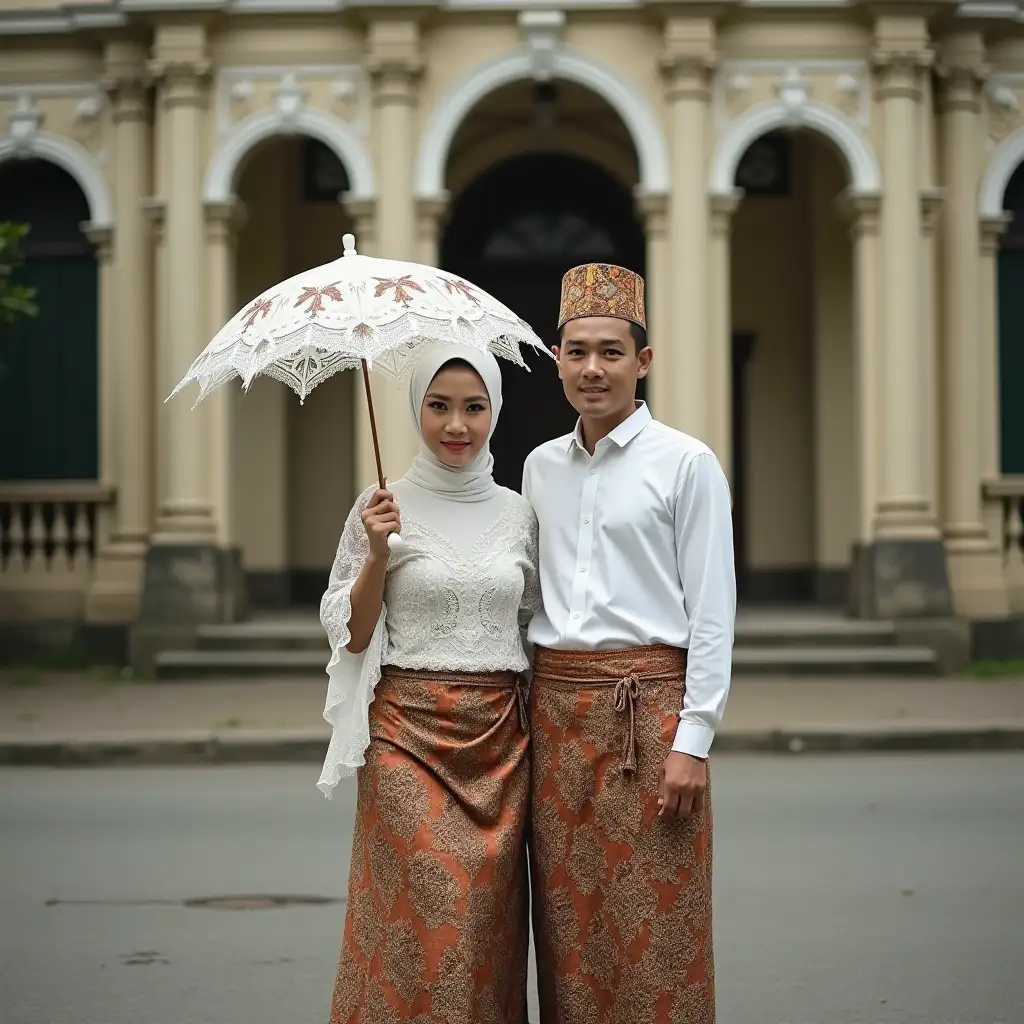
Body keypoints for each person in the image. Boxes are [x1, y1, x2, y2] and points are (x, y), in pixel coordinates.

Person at [522, 263, 736, 1023]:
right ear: (557, 360)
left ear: (643, 362)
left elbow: (713, 610)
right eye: (577, 351)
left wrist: (695, 739)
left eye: (611, 352)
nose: (592, 368)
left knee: (658, 923)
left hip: (650, 716)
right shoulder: (539, 468)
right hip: (555, 720)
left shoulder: (686, 463)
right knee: (570, 923)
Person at [318, 342, 540, 1024]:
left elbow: (533, 625)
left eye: (474, 408)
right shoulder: (382, 505)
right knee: (428, 920)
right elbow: (352, 635)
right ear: (417, 409)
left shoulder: (520, 513)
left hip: (501, 746)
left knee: (483, 929)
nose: (456, 425)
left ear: (495, 412)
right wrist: (378, 552)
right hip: (404, 740)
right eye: (438, 406)